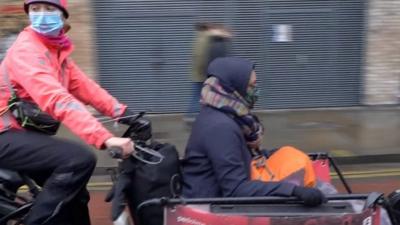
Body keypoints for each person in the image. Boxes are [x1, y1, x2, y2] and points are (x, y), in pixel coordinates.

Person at [0, 1, 137, 224]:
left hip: (19, 134)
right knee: (78, 160)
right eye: (35, 10)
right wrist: (105, 138)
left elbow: (85, 87)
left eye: (49, 9)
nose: (42, 16)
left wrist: (124, 113)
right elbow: (57, 99)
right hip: (3, 133)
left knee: (76, 194)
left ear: (63, 15)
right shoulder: (28, 50)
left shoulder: (56, 51)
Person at [182, 57, 326, 206]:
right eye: (251, 86)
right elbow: (235, 189)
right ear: (234, 89)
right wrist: (293, 191)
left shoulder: (227, 115)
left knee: (290, 155)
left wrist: (282, 154)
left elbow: (240, 157)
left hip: (222, 196)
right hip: (209, 206)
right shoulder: (221, 128)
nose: (256, 91)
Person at [185, 22, 232, 122]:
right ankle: (192, 117)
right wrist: (206, 73)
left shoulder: (199, 38)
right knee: (200, 96)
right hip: (202, 75)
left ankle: (193, 116)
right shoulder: (206, 40)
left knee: (198, 96)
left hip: (199, 74)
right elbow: (201, 58)